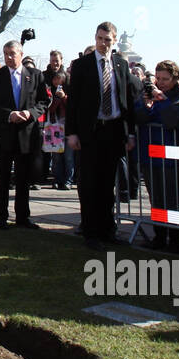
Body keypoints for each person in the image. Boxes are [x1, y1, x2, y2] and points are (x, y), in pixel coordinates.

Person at [65, 22, 137, 248]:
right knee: (89, 184)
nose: (103, 43)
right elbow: (73, 102)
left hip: (113, 130)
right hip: (90, 131)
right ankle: (91, 232)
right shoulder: (82, 65)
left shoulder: (120, 65)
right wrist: (72, 133)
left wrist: (129, 134)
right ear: (94, 38)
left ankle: (108, 230)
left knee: (108, 185)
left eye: (107, 39)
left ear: (114, 41)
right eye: (99, 38)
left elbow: (126, 102)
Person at [0, 40, 48, 230]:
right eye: (5, 54)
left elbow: (43, 102)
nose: (8, 57)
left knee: (23, 178)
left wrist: (30, 113)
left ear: (21, 54)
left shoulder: (35, 76)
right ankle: (1, 217)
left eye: (12, 53)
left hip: (26, 134)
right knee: (1, 177)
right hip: (1, 134)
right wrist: (8, 114)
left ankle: (22, 217)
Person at [133, 60, 179, 251]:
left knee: (171, 200)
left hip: (170, 156)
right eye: (158, 78)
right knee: (155, 199)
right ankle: (159, 236)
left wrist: (163, 100)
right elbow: (139, 117)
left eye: (165, 79)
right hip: (150, 154)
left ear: (175, 79)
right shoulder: (150, 95)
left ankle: (175, 239)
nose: (161, 82)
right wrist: (147, 105)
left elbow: (172, 121)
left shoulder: (178, 97)